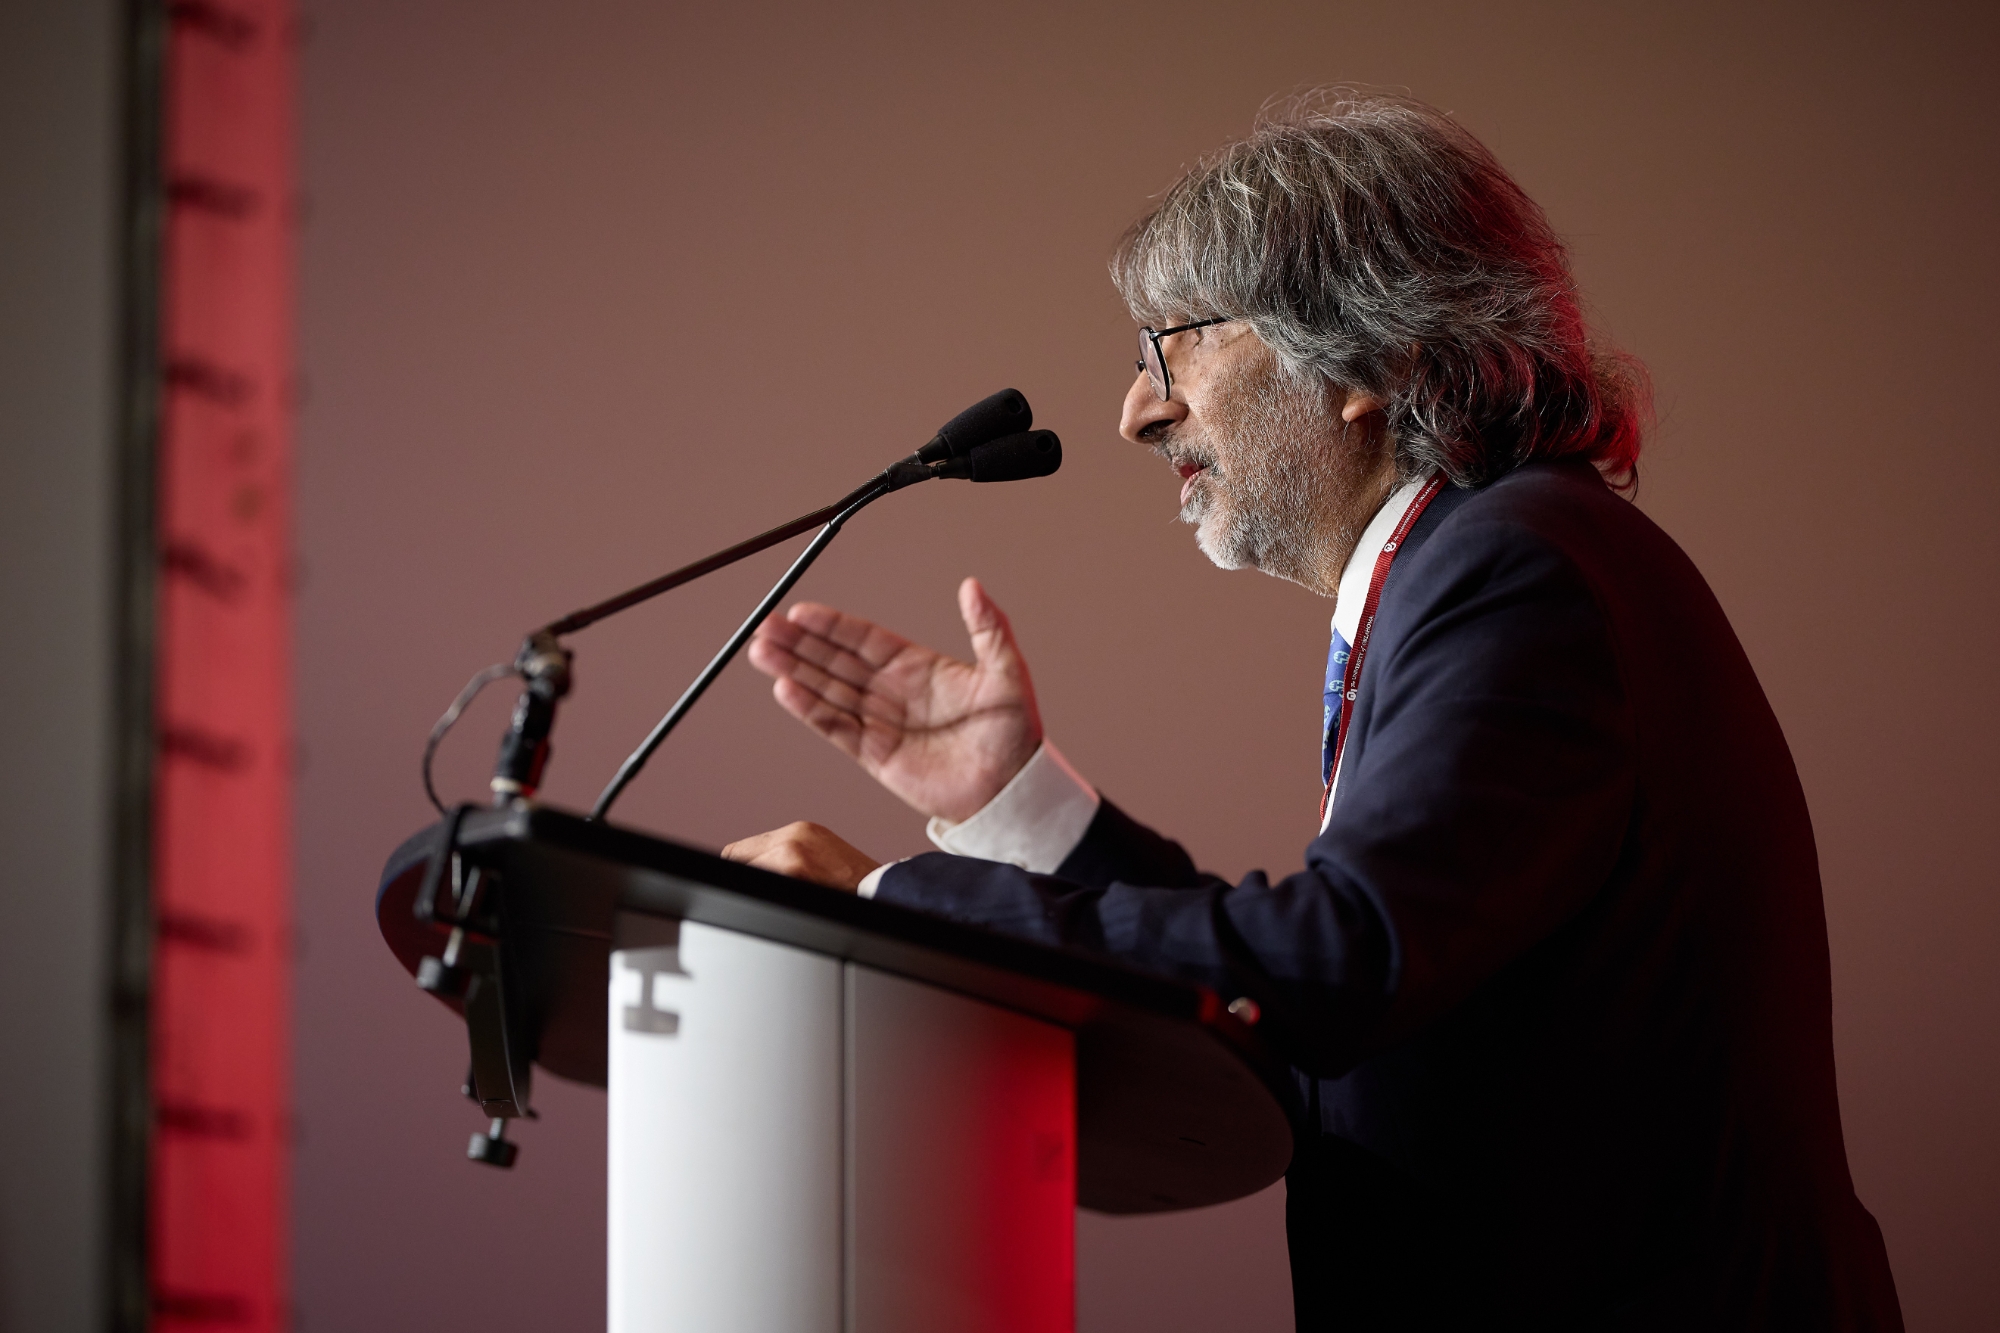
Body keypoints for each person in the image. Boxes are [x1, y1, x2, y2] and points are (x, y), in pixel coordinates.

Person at [721, 91, 1902, 1330]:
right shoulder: (1492, 557)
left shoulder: (1514, 568)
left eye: (1171, 344)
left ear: (1364, 357)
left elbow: (1339, 967)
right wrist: (1009, 805)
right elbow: (1323, 1010)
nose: (1138, 409)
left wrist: (879, 907)